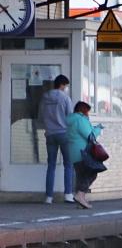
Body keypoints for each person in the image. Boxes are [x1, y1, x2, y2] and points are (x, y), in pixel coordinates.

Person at [38, 74, 74, 204]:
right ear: (62, 85)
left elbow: (41, 116)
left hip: (50, 134)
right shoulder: (65, 98)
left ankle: (48, 197)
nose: (66, 88)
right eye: (66, 86)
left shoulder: (45, 97)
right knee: (68, 164)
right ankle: (68, 195)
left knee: (51, 165)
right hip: (64, 134)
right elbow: (70, 117)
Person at [66, 101, 103, 209]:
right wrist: (98, 129)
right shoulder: (80, 120)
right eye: (88, 111)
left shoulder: (70, 120)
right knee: (91, 173)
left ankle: (80, 202)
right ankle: (80, 195)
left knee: (81, 176)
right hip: (83, 152)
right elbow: (90, 136)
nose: (88, 114)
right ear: (83, 110)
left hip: (73, 152)